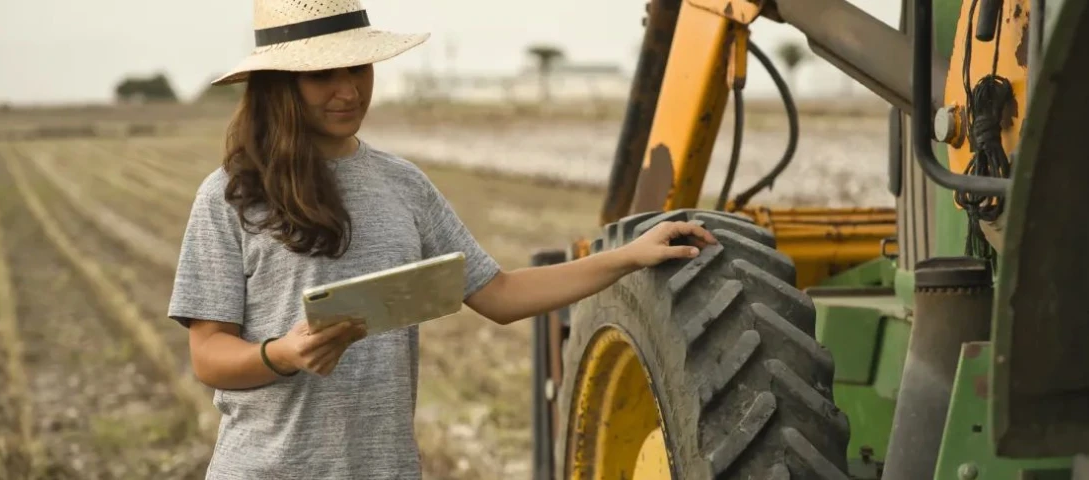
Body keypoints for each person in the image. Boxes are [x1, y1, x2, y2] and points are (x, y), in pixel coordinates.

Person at [167, 0, 718, 478]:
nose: (348, 89)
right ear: (280, 86)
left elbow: (499, 294)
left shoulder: (404, 185)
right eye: (322, 75)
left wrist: (627, 256)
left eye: (358, 67)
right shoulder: (230, 196)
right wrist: (283, 354)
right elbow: (209, 355)